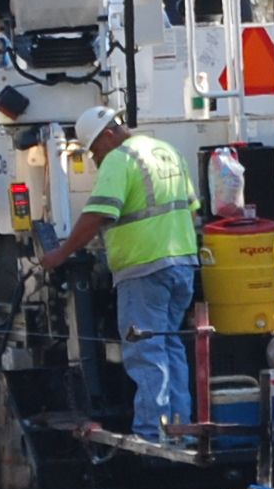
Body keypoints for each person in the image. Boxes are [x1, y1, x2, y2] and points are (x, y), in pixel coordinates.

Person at [40, 105, 199, 438]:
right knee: (170, 346)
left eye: (95, 150)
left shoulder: (120, 158)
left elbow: (97, 214)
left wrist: (61, 254)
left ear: (109, 135)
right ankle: (179, 428)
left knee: (145, 350)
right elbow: (192, 208)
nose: (96, 159)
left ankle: (152, 431)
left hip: (144, 268)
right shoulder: (167, 151)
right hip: (182, 263)